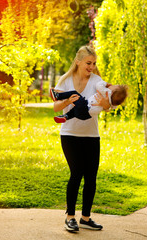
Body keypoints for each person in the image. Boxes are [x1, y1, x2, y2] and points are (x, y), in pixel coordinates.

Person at [53, 45, 111, 232]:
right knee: (76, 172)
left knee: (91, 177)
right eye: (88, 63)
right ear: (78, 62)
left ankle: (85, 218)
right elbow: (55, 107)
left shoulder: (97, 80)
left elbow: (107, 105)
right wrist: (67, 101)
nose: (91, 66)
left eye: (94, 63)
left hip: (91, 136)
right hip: (70, 134)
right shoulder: (65, 80)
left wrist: (105, 104)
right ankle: (70, 217)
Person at [50, 82, 127, 123]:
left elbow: (98, 85)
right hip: (86, 116)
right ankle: (65, 116)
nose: (112, 84)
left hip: (85, 106)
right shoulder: (112, 103)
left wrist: (106, 84)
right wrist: (108, 106)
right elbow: (114, 107)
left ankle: (57, 96)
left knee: (74, 93)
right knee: (74, 112)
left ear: (112, 92)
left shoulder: (107, 92)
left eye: (114, 85)